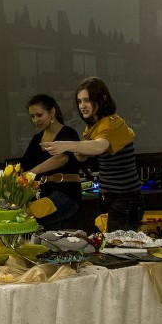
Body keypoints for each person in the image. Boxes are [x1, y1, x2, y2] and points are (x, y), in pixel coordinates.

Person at [43, 77, 144, 231]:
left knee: (118, 248)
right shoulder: (92, 127)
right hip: (107, 196)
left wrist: (66, 145)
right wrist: (78, 148)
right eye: (79, 101)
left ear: (102, 99)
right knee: (106, 245)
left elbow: (99, 147)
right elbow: (81, 156)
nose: (82, 106)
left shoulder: (113, 123)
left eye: (87, 100)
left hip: (125, 197)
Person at [19, 94, 82, 229]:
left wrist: (33, 172)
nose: (35, 120)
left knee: (26, 217)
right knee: (48, 236)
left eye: (39, 115)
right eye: (32, 117)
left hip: (65, 194)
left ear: (52, 112)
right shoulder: (36, 139)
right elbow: (23, 166)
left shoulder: (68, 133)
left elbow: (61, 158)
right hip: (42, 195)